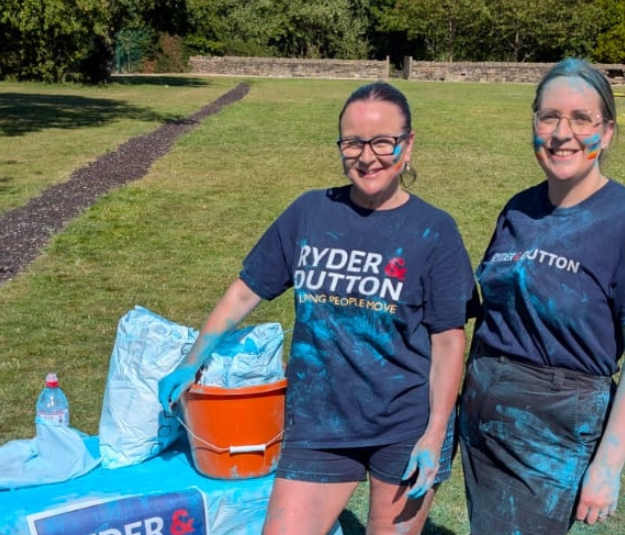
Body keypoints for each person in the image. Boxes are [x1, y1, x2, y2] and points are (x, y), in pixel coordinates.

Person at [158, 81, 475, 535]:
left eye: (383, 141)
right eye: (352, 143)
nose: (367, 157)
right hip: (319, 422)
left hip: (406, 425)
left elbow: (447, 342)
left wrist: (435, 433)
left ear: (408, 144)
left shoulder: (435, 231)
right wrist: (193, 361)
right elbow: (247, 290)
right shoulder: (309, 212)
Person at [459, 58, 623, 534]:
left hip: (555, 430)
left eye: (581, 119)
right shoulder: (518, 209)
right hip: (483, 416)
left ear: (607, 132)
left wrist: (609, 463)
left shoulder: (620, 219)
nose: (561, 133)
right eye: (549, 116)